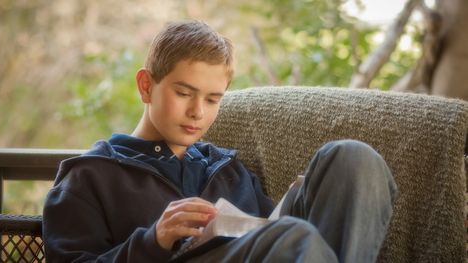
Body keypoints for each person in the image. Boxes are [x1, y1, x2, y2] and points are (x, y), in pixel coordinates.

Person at [43, 20, 397, 263]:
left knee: (352, 159)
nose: (198, 111)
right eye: (184, 93)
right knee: (292, 237)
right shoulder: (88, 176)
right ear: (146, 86)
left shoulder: (230, 170)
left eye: (213, 99)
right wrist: (155, 239)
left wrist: (287, 208)